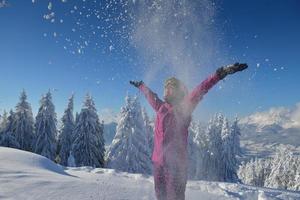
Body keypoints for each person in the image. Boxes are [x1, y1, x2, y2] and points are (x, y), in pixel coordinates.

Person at [130, 63, 248, 200]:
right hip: (158, 163)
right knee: (160, 196)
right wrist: (141, 86)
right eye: (165, 88)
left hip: (176, 167)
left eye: (171, 88)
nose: (167, 90)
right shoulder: (161, 107)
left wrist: (219, 74)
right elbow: (151, 96)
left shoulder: (185, 107)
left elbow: (201, 89)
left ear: (178, 91)